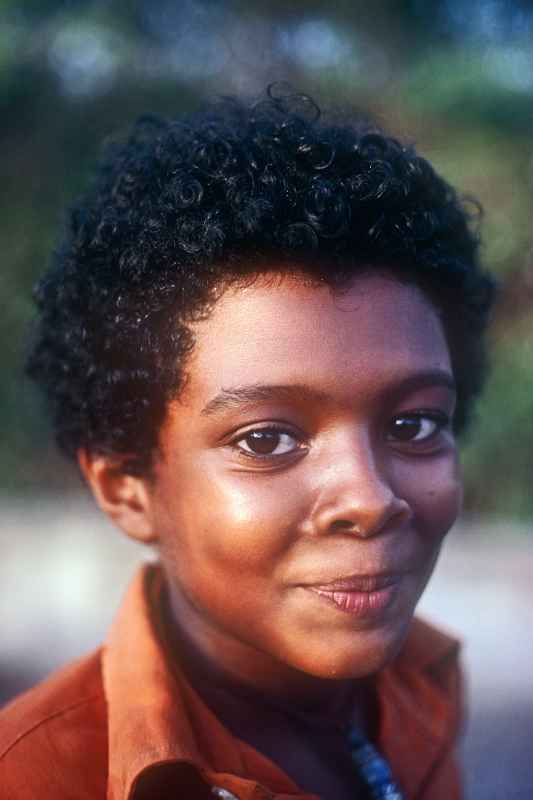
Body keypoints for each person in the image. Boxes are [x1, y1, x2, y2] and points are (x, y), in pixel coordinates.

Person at [0, 86, 495, 799]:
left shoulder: (418, 683)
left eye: (412, 424)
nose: (368, 498)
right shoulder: (36, 777)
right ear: (126, 488)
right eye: (266, 439)